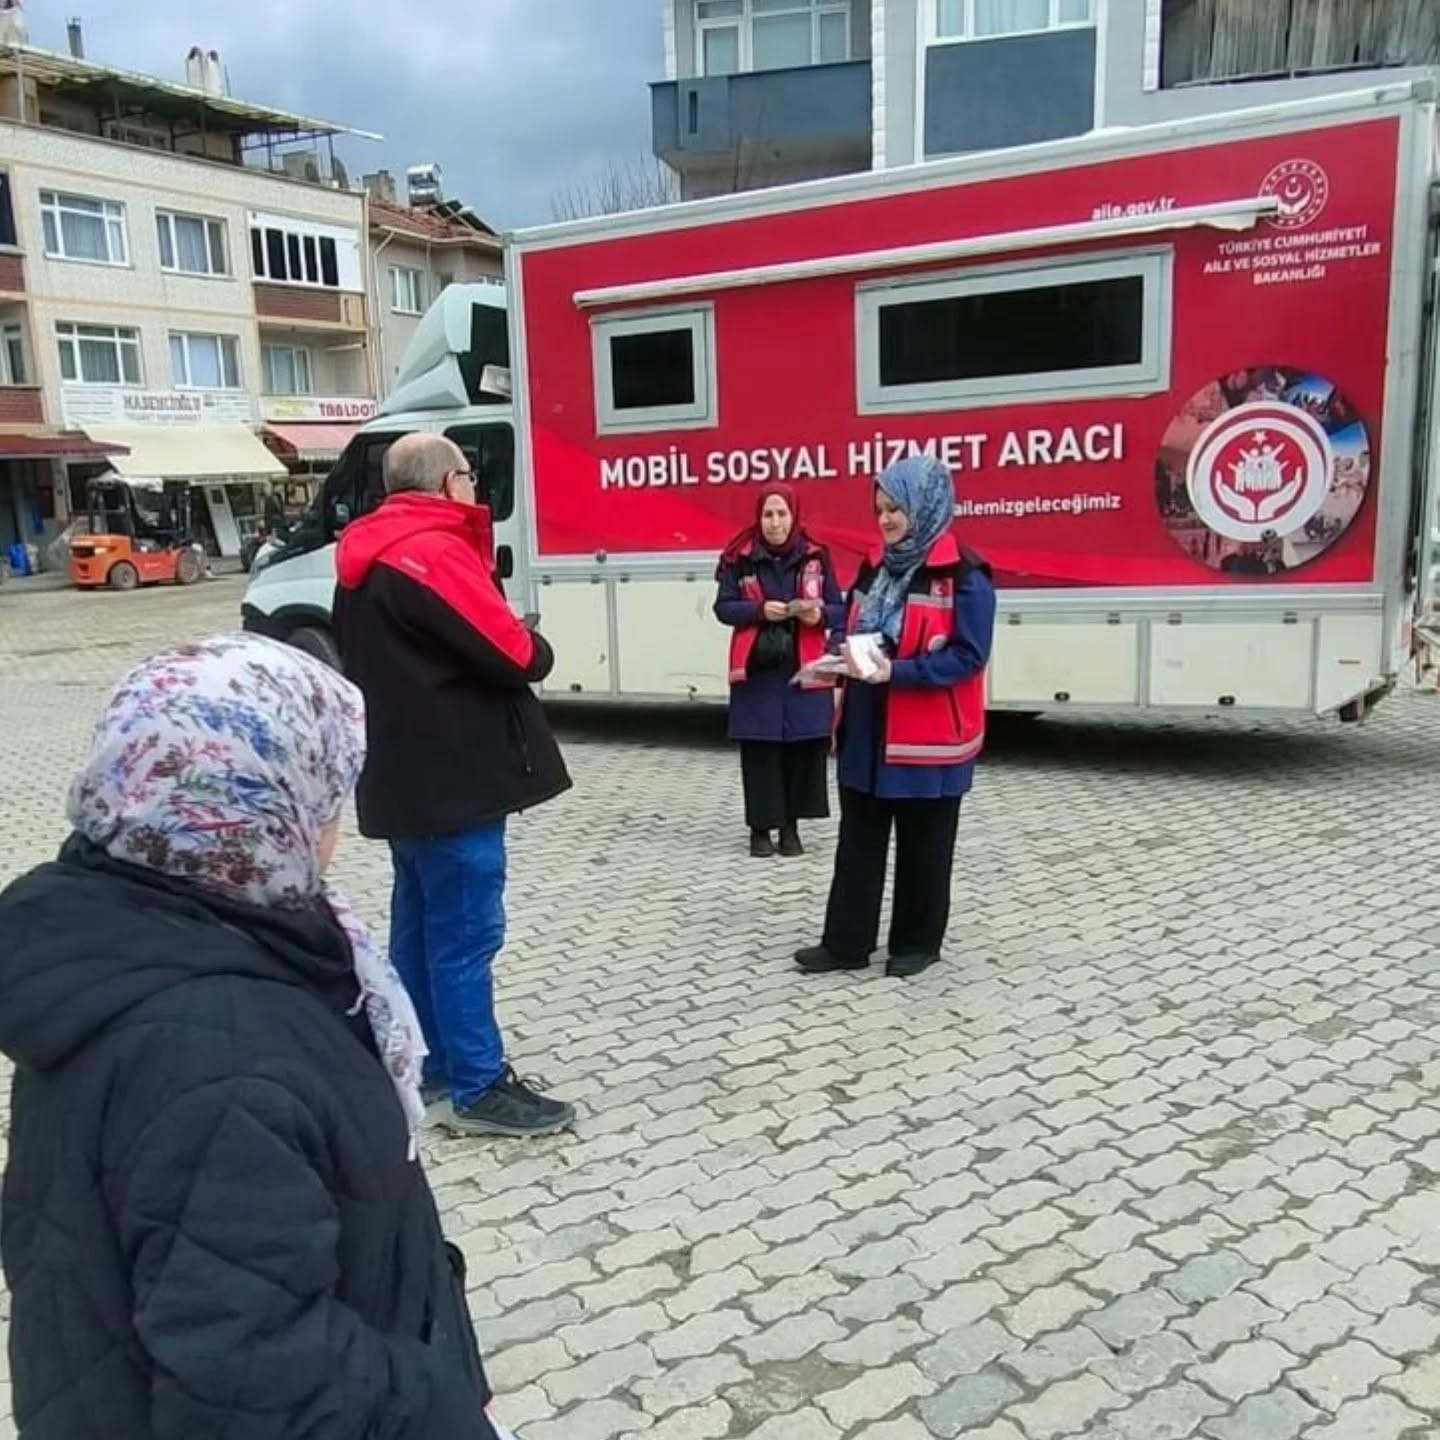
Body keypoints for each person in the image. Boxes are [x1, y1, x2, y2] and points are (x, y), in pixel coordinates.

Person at [0, 634, 506, 1439]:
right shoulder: (213, 1055)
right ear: (256, 807)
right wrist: (441, 1408)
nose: (333, 826)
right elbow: (261, 1383)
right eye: (324, 794)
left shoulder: (121, 936)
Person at [333, 432, 575, 1137]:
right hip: (456, 780)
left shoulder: (363, 553)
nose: (474, 487)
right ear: (447, 483)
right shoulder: (433, 550)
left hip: (402, 777)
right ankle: (479, 1086)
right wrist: (534, 640)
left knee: (417, 929)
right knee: (467, 934)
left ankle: (427, 1065)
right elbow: (516, 653)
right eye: (469, 475)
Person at [795, 456, 996, 979]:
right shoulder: (876, 565)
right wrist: (835, 655)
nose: (885, 520)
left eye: (895, 509)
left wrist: (898, 672)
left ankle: (916, 944)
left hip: (928, 735)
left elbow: (969, 656)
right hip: (866, 725)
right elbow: (853, 625)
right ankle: (846, 943)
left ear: (924, 507)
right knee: (857, 842)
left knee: (924, 847)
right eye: (880, 509)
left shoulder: (965, 575)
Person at [714, 484, 844, 857]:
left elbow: (840, 608)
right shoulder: (740, 557)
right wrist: (759, 611)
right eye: (768, 515)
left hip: (804, 669)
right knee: (762, 751)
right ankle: (760, 830)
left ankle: (790, 828)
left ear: (794, 516)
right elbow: (723, 607)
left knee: (801, 751)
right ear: (759, 518)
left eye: (782, 514)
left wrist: (819, 615)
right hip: (759, 670)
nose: (775, 523)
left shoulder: (816, 555)